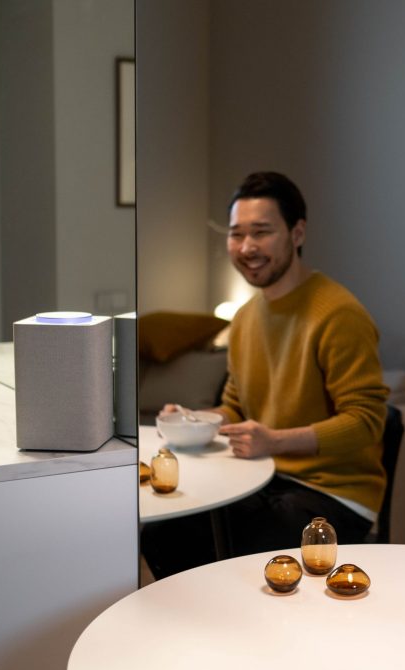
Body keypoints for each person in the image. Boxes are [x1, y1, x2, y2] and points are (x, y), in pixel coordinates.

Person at [142, 171, 388, 576]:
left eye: (261, 232)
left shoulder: (338, 314)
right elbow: (237, 405)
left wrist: (273, 440)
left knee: (230, 560)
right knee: (165, 532)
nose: (247, 247)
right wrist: (193, 419)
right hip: (265, 477)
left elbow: (367, 423)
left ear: (297, 233)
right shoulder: (244, 318)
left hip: (334, 494)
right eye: (237, 234)